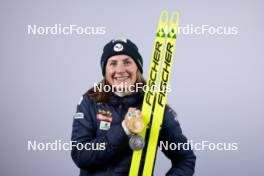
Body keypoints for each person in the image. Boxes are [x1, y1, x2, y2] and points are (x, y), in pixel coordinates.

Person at [71, 39, 196, 175]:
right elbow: (80, 155)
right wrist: (124, 130)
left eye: (127, 62)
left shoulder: (156, 108)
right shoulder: (90, 102)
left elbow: (185, 159)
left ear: (137, 67)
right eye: (113, 63)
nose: (120, 70)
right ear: (105, 70)